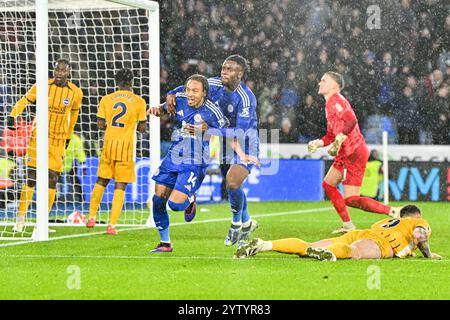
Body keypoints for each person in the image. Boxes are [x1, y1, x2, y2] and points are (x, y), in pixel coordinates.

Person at [166, 55, 260, 249]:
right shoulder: (214, 83)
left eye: (230, 69)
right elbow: (191, 87)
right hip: (224, 140)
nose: (224, 71)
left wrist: (209, 131)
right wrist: (171, 92)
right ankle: (247, 222)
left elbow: (240, 132)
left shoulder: (246, 98)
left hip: (246, 142)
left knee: (233, 181)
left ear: (240, 73)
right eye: (224, 67)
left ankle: (236, 224)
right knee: (231, 184)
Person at [308, 72, 402, 234]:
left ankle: (393, 212)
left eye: (324, 80)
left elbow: (351, 120)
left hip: (353, 151)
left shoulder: (336, 100)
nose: (320, 83)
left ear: (334, 86)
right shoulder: (330, 103)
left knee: (350, 198)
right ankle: (348, 225)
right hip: (346, 150)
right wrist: (319, 142)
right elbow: (331, 135)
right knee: (328, 185)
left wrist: (340, 139)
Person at [147, 74, 230, 252]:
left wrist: (209, 129)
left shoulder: (212, 111)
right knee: (158, 199)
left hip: (196, 160)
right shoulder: (181, 100)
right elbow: (164, 108)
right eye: (188, 90)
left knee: (175, 205)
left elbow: (229, 131)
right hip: (174, 155)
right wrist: (155, 110)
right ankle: (165, 243)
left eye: (195, 91)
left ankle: (190, 198)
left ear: (204, 93)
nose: (190, 94)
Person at [8, 59, 83, 232]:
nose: (60, 73)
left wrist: (68, 137)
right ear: (54, 71)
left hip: (58, 140)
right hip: (39, 136)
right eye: (57, 70)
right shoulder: (43, 86)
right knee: (31, 176)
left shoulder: (76, 93)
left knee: (53, 178)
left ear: (69, 72)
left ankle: (42, 222)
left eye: (63, 70)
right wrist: (13, 114)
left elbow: (74, 116)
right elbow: (25, 100)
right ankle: (20, 220)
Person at [235, 205, 442, 261]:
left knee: (309, 245)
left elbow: (408, 244)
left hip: (362, 232)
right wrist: (426, 248)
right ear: (415, 216)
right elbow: (419, 233)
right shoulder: (417, 221)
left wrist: (412, 248)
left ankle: (264, 244)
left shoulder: (387, 220)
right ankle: (331, 254)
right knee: (354, 252)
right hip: (381, 242)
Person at [86, 68, 147, 235]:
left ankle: (91, 217)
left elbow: (100, 124)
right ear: (132, 82)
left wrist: (111, 129)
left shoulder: (106, 99)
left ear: (117, 82)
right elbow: (142, 128)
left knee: (101, 181)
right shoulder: (139, 101)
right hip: (126, 148)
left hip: (108, 145)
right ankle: (111, 225)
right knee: (120, 186)